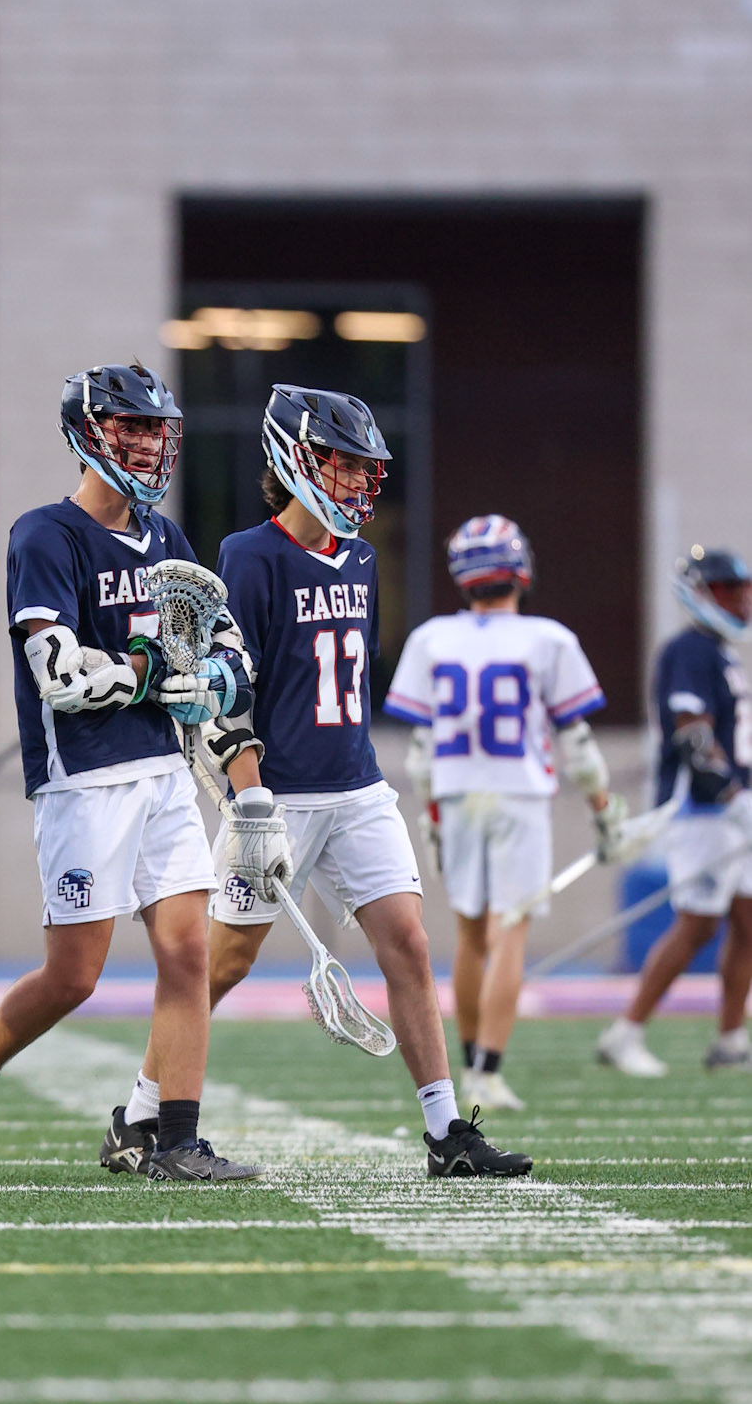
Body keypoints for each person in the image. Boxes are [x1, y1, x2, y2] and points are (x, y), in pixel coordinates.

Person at [0, 361, 260, 1185]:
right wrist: (150, 674)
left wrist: (208, 680)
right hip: (82, 779)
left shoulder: (167, 538)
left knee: (185, 955)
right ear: (86, 431)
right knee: (74, 975)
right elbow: (57, 672)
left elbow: (228, 649)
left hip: (163, 774)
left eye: (151, 429)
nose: (142, 443)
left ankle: (170, 1137)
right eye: (126, 426)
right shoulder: (44, 534)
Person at [201, 386, 533, 1179]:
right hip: (274, 795)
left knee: (409, 945)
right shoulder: (247, 556)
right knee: (218, 967)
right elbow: (230, 690)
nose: (355, 481)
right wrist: (250, 800)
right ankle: (145, 1107)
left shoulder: (359, 555)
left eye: (362, 468)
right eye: (341, 464)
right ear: (294, 459)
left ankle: (446, 1131)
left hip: (355, 786)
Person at [385, 515, 623, 1113]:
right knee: (509, 930)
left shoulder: (432, 638)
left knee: (470, 932)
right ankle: (488, 1072)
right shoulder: (549, 640)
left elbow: (419, 752)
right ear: (520, 568)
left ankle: (469, 1063)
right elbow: (579, 746)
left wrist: (432, 815)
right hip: (519, 794)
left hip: (458, 793)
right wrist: (603, 810)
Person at [596, 545, 752, 1077]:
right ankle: (626, 1030)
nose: (742, 599)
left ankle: (731, 1039)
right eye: (730, 590)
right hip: (707, 808)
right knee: (698, 924)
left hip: (736, 804)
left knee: (748, 920)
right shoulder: (690, 650)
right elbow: (694, 734)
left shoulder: (721, 652)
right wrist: (731, 795)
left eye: (743, 589)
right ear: (703, 593)